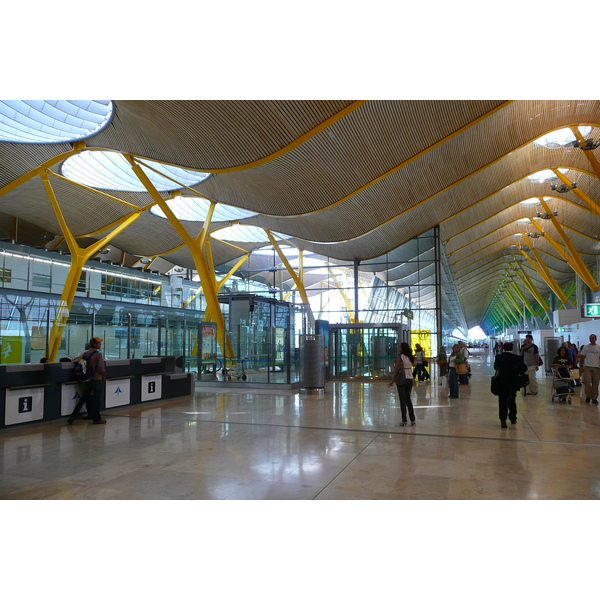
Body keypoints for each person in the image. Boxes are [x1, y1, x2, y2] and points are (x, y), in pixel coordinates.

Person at [67, 337, 107, 425]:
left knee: (84, 398)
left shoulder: (86, 353)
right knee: (96, 400)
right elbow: (101, 368)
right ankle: (97, 419)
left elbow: (75, 360)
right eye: (99, 343)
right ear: (94, 344)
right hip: (96, 379)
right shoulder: (98, 355)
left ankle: (73, 416)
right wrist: (104, 377)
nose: (100, 344)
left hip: (88, 379)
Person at [493, 342, 527, 429]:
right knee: (512, 400)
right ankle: (513, 418)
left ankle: (503, 420)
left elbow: (496, 367)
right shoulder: (517, 358)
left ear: (503, 348)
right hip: (513, 382)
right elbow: (524, 368)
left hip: (501, 382)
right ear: (512, 348)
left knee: (502, 401)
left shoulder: (499, 357)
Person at [388, 342, 416, 426]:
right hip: (410, 379)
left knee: (402, 401)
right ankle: (413, 420)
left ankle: (404, 420)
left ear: (402, 348)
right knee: (408, 400)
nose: (398, 348)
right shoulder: (410, 357)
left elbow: (397, 369)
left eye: (399, 347)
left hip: (402, 379)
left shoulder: (400, 356)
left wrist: (392, 380)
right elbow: (414, 364)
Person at [577, 334, 600, 404]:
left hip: (596, 367)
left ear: (595, 339)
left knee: (595, 383)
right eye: (590, 338)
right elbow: (582, 357)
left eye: (593, 338)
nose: (591, 339)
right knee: (587, 382)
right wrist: (581, 367)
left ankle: (594, 397)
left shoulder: (598, 347)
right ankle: (588, 396)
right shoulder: (586, 347)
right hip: (587, 366)